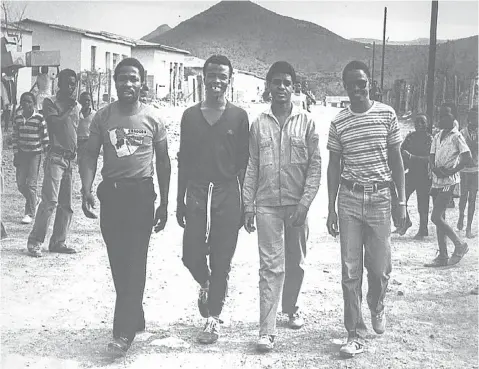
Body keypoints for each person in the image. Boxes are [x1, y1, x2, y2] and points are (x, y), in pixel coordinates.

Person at [80, 57, 171, 355]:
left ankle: (123, 332)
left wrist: (165, 202)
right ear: (115, 81)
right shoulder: (102, 117)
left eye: (133, 78)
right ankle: (135, 313)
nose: (128, 84)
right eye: (122, 78)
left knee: (135, 261)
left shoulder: (153, 118)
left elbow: (163, 161)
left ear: (142, 82)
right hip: (112, 196)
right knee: (118, 261)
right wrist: (86, 187)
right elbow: (90, 153)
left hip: (141, 196)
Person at [326, 60, 406, 358]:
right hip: (349, 199)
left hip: (381, 199)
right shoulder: (339, 122)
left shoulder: (387, 114)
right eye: (351, 84)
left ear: (369, 83)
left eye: (362, 83)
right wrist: (331, 208)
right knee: (350, 270)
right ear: (345, 87)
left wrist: (400, 202)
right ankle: (354, 332)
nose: (357, 88)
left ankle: (376, 303)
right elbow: (334, 166)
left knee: (380, 267)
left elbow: (397, 161)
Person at [243, 61, 321, 352]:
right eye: (276, 83)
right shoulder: (259, 123)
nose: (281, 88)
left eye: (286, 83)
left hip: (296, 207)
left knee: (296, 263)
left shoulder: (307, 122)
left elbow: (315, 166)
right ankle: (267, 330)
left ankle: (291, 306)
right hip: (266, 206)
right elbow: (251, 165)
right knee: (270, 267)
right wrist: (247, 204)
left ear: (294, 87)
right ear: (268, 87)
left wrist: (305, 202)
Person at [177, 55, 249, 345]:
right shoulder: (190, 116)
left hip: (226, 193)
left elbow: (244, 163)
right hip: (196, 192)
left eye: (223, 76)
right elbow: (183, 160)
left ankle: (213, 319)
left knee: (222, 260)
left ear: (229, 80)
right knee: (191, 255)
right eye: (212, 75)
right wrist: (179, 200)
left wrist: (245, 203)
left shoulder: (239, 116)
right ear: (203, 78)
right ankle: (206, 284)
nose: (217, 81)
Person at [26, 69, 81, 257]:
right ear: (60, 84)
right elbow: (56, 124)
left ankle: (58, 241)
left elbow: (76, 132)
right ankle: (35, 241)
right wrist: (69, 109)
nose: (71, 87)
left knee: (66, 204)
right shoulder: (51, 102)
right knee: (50, 201)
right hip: (55, 157)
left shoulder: (77, 106)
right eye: (68, 83)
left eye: (74, 83)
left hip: (70, 159)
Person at [425, 111, 471, 267]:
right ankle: (443, 255)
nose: (441, 120)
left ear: (452, 121)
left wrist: (452, 170)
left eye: (445, 118)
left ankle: (459, 245)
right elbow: (431, 155)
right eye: (441, 117)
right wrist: (433, 167)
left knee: (435, 217)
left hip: (448, 182)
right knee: (440, 219)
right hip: (436, 180)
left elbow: (467, 158)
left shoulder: (457, 136)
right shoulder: (437, 136)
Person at [393, 113, 432, 239]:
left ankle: (423, 229)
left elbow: (430, 159)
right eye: (417, 122)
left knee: (423, 204)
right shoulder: (410, 137)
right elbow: (401, 152)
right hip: (411, 173)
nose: (419, 125)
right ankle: (405, 223)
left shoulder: (430, 139)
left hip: (425, 176)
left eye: (422, 122)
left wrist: (412, 157)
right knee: (400, 199)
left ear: (427, 125)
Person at [12, 92, 49, 224]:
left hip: (35, 154)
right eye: (23, 101)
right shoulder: (17, 119)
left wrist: (46, 157)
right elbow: (15, 138)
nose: (26, 104)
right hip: (22, 154)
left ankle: (30, 213)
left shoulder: (39, 119)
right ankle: (36, 200)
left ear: (33, 103)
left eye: (29, 101)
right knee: (21, 184)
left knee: (31, 184)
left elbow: (45, 139)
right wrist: (16, 154)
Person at [457, 107, 478, 238]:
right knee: (463, 196)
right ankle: (460, 216)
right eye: (473, 118)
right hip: (465, 169)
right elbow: (462, 147)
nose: (475, 120)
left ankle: (468, 228)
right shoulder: (462, 132)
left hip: (476, 170)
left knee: (472, 199)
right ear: (468, 119)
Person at [77, 92, 96, 167]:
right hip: (77, 143)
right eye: (84, 100)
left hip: (89, 142)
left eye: (88, 100)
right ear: (80, 101)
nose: (86, 102)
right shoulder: (76, 113)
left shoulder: (95, 114)